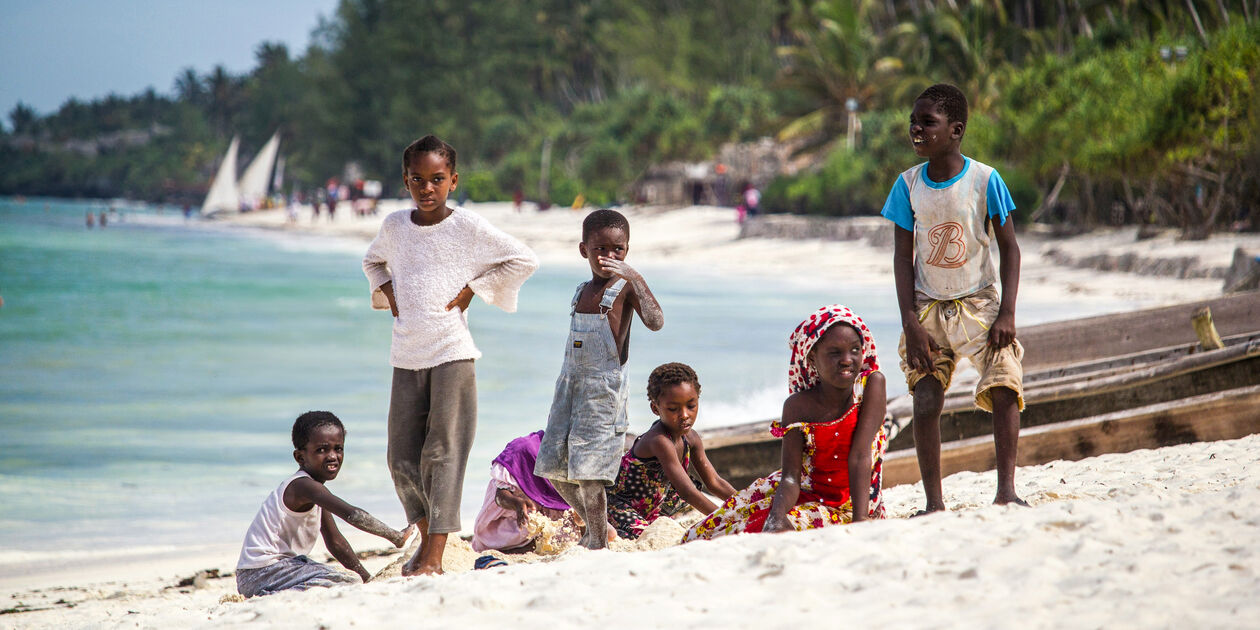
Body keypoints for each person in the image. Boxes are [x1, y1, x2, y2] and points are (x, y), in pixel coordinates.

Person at [362, 135, 539, 575]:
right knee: (401, 457)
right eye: (417, 179)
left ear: (453, 180)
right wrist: (388, 293)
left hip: (452, 354)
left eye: (437, 179)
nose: (427, 188)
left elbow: (522, 259)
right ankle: (426, 541)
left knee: (442, 453)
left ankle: (436, 557)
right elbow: (372, 262)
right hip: (405, 354)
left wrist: (473, 291)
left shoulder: (469, 227)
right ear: (405, 181)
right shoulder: (395, 227)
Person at [879, 83, 1027, 513]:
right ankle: (933, 503)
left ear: (956, 129)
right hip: (927, 309)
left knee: (1003, 387)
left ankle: (1006, 491)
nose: (916, 129)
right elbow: (902, 257)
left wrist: (1008, 313)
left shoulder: (985, 180)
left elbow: (1010, 249)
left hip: (981, 305)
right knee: (925, 400)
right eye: (914, 121)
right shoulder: (906, 186)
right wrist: (910, 320)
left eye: (928, 122)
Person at [683, 306, 889, 542]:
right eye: (834, 352)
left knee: (762, 531)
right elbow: (791, 477)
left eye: (855, 350)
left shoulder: (869, 386)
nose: (847, 360)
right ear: (812, 357)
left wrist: (860, 524)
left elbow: (861, 455)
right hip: (803, 489)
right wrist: (777, 517)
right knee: (704, 533)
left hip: (852, 502)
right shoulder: (797, 406)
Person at [534, 209, 665, 550]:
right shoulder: (581, 292)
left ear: (627, 250)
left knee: (591, 475)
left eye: (617, 250)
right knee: (552, 468)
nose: (609, 257)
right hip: (569, 388)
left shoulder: (625, 288)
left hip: (602, 393)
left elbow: (656, 321)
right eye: (600, 250)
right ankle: (601, 527)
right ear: (584, 250)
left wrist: (634, 276)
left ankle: (597, 542)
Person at [235, 411, 414, 597]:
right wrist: (395, 536)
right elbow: (352, 514)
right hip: (261, 572)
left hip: (270, 571)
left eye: (338, 448)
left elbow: (335, 542)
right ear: (300, 457)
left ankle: (276, 593)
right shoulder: (303, 486)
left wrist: (366, 578)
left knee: (348, 578)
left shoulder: (315, 492)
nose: (332, 456)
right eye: (322, 450)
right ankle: (270, 595)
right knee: (345, 581)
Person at [607, 362, 735, 540]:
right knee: (650, 535)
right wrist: (729, 521)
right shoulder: (659, 441)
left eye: (691, 406)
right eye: (673, 409)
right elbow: (687, 492)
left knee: (695, 499)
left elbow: (714, 482)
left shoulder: (691, 438)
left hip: (656, 504)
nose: (684, 415)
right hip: (622, 506)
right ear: (655, 408)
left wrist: (745, 504)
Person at [471, 430, 578, 553]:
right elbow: (500, 495)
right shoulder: (524, 449)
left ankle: (534, 543)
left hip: (550, 517)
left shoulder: (577, 457)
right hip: (511, 517)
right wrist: (516, 503)